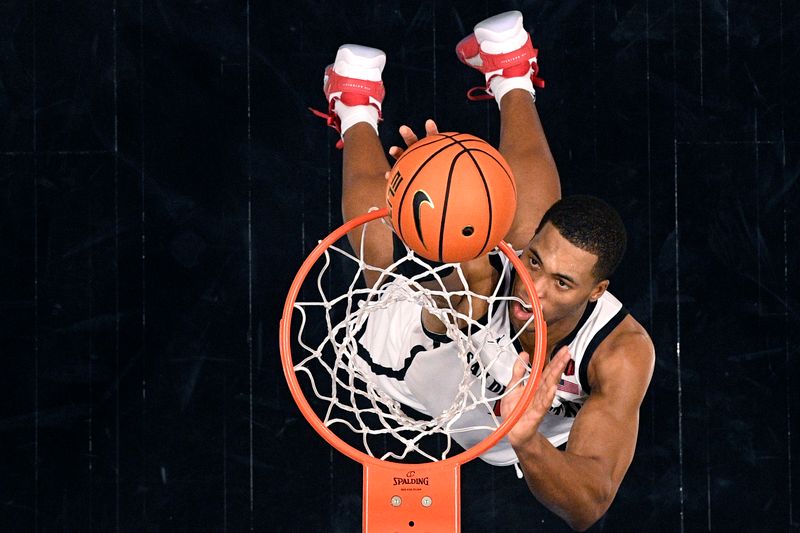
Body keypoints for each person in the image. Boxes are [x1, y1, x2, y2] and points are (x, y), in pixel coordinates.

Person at [313, 11, 655, 532]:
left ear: (598, 292)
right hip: (445, 340)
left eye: (563, 284)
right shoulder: (499, 283)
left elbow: (590, 502)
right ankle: (362, 103)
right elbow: (480, 273)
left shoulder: (620, 351)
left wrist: (524, 437)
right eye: (537, 266)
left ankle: (505, 68)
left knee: (487, 262)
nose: (535, 290)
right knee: (388, 276)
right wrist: (435, 205)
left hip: (507, 419)